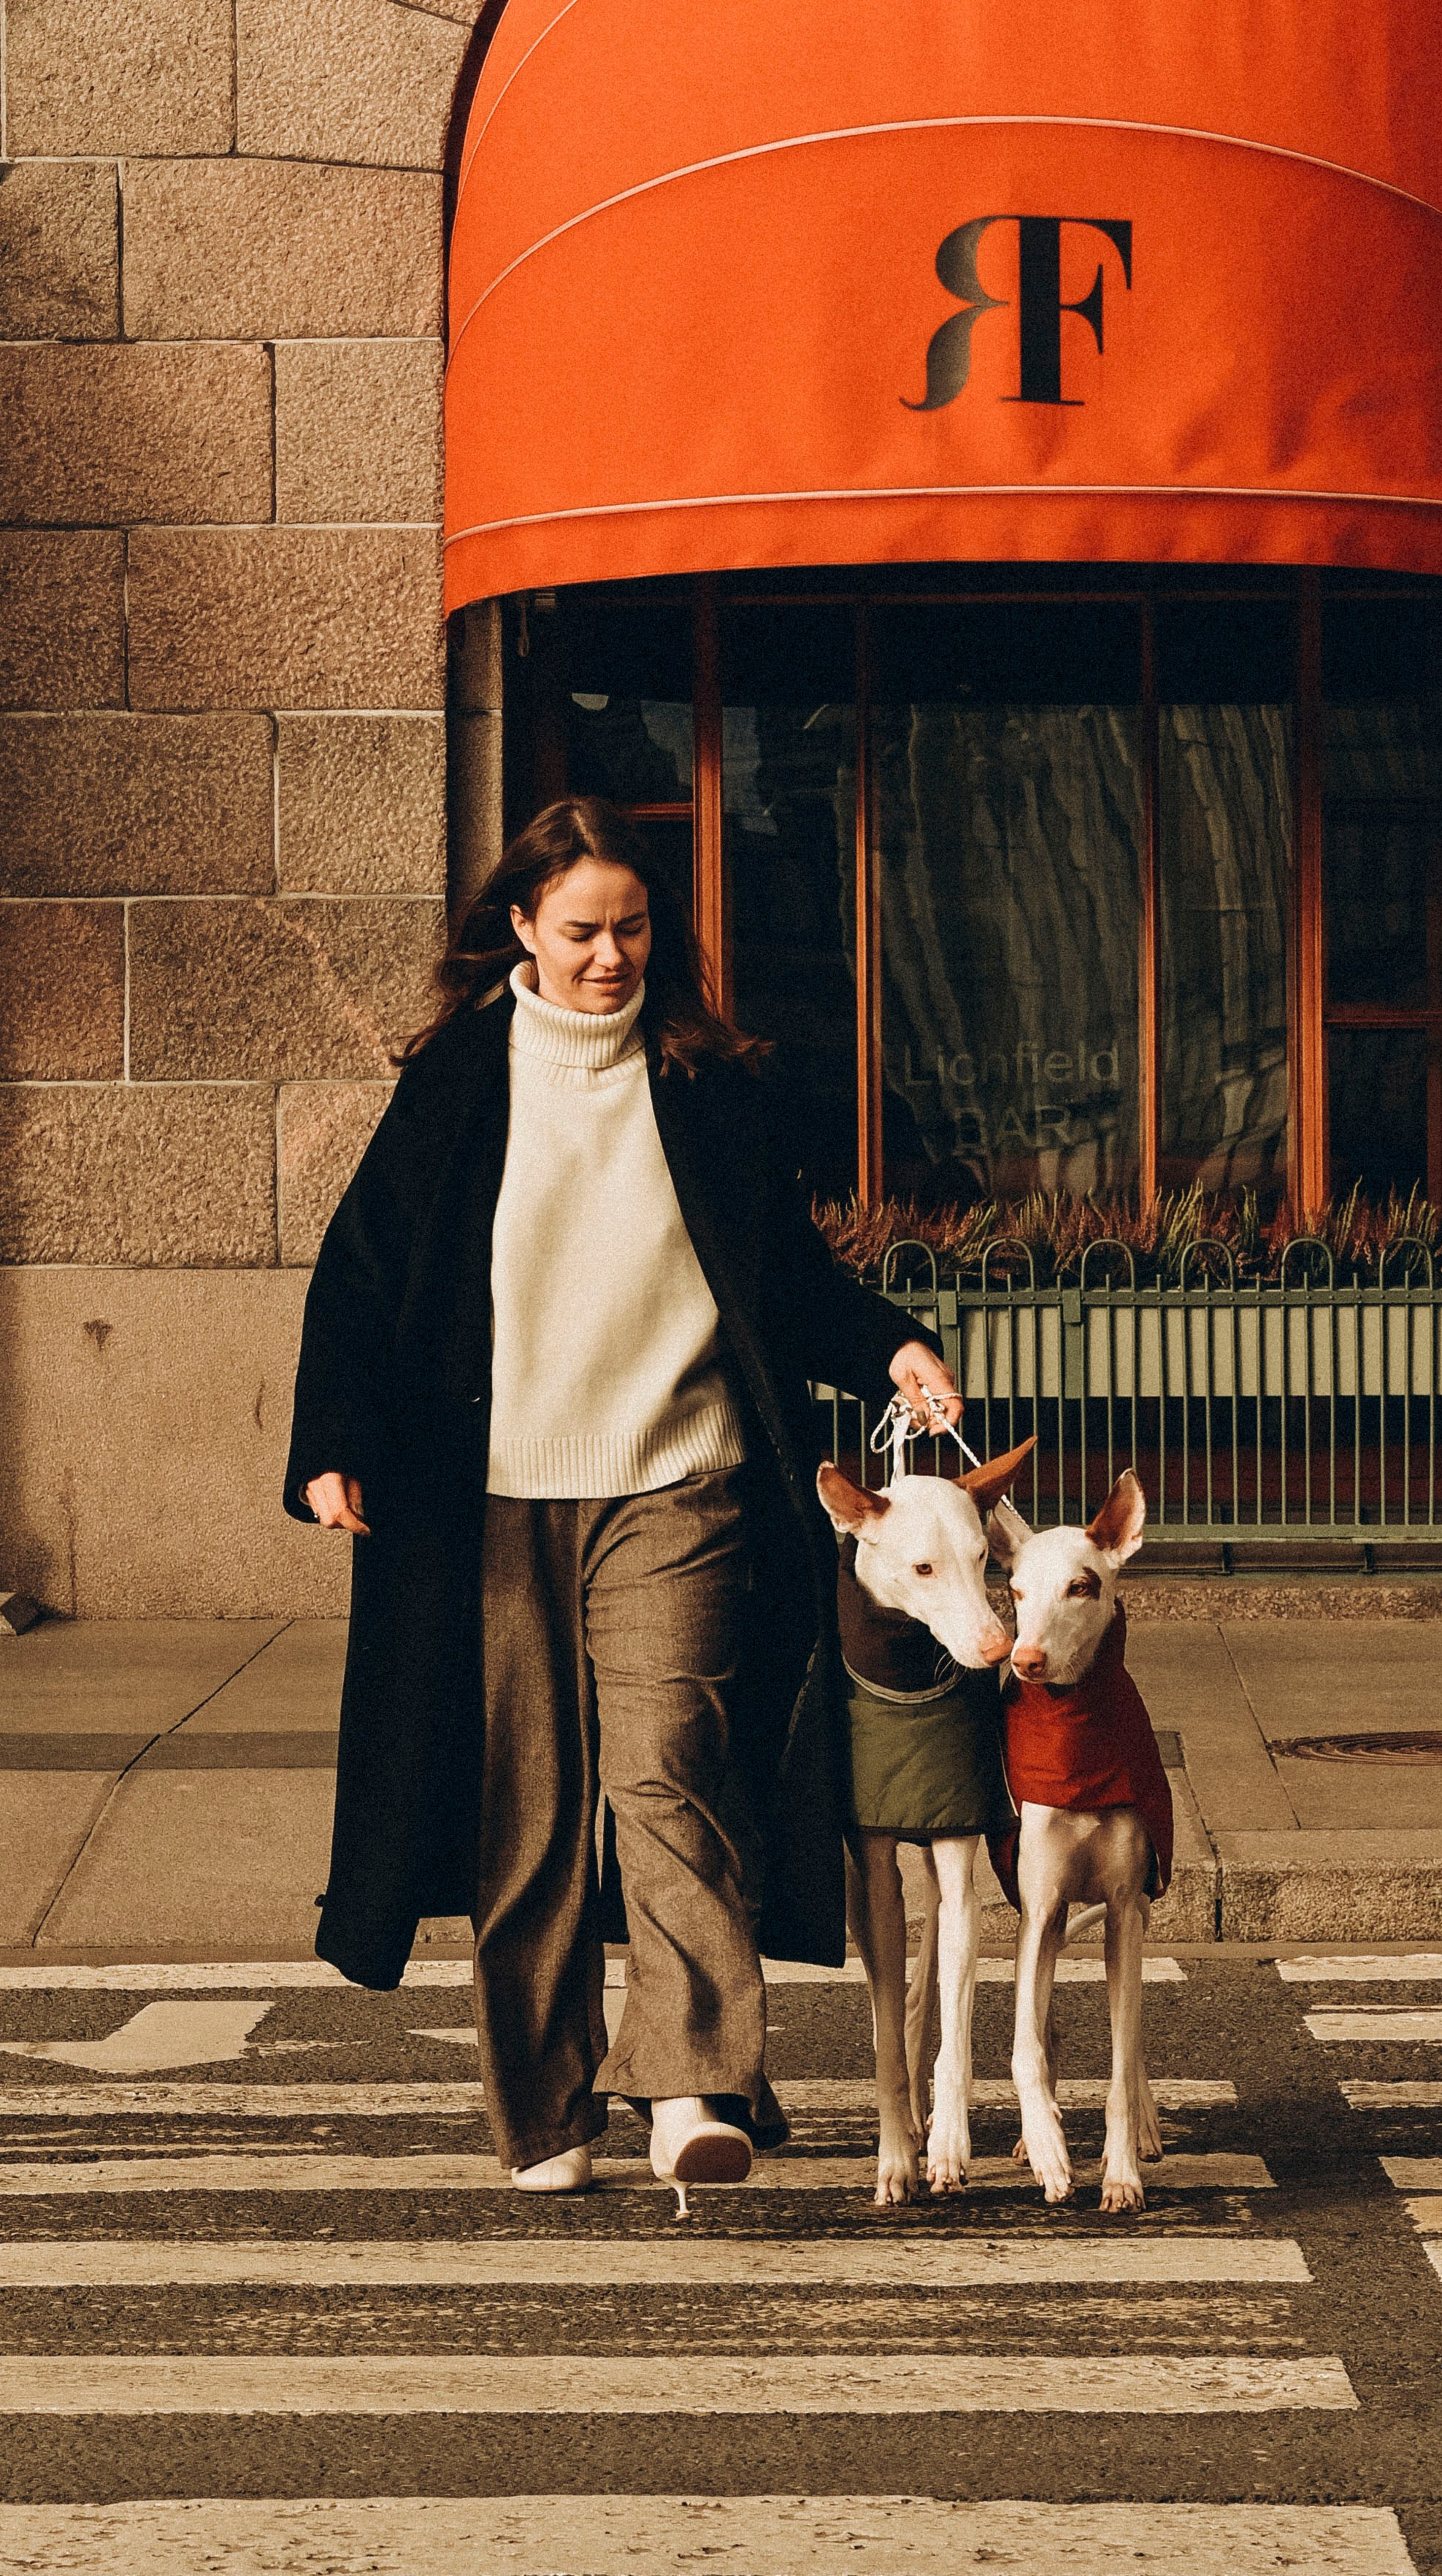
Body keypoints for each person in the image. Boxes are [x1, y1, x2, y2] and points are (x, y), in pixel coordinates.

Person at [283, 796, 960, 2197]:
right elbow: (362, 1278)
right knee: (523, 1816)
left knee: (673, 1778)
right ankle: (547, 2115)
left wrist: (890, 1342)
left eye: (633, 928)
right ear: (520, 927)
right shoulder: (460, 1082)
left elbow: (779, 1274)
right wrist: (331, 1445)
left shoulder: (709, 1084)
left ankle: (692, 2088)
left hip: (679, 1481)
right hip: (491, 1500)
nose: (610, 956)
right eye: (582, 930)